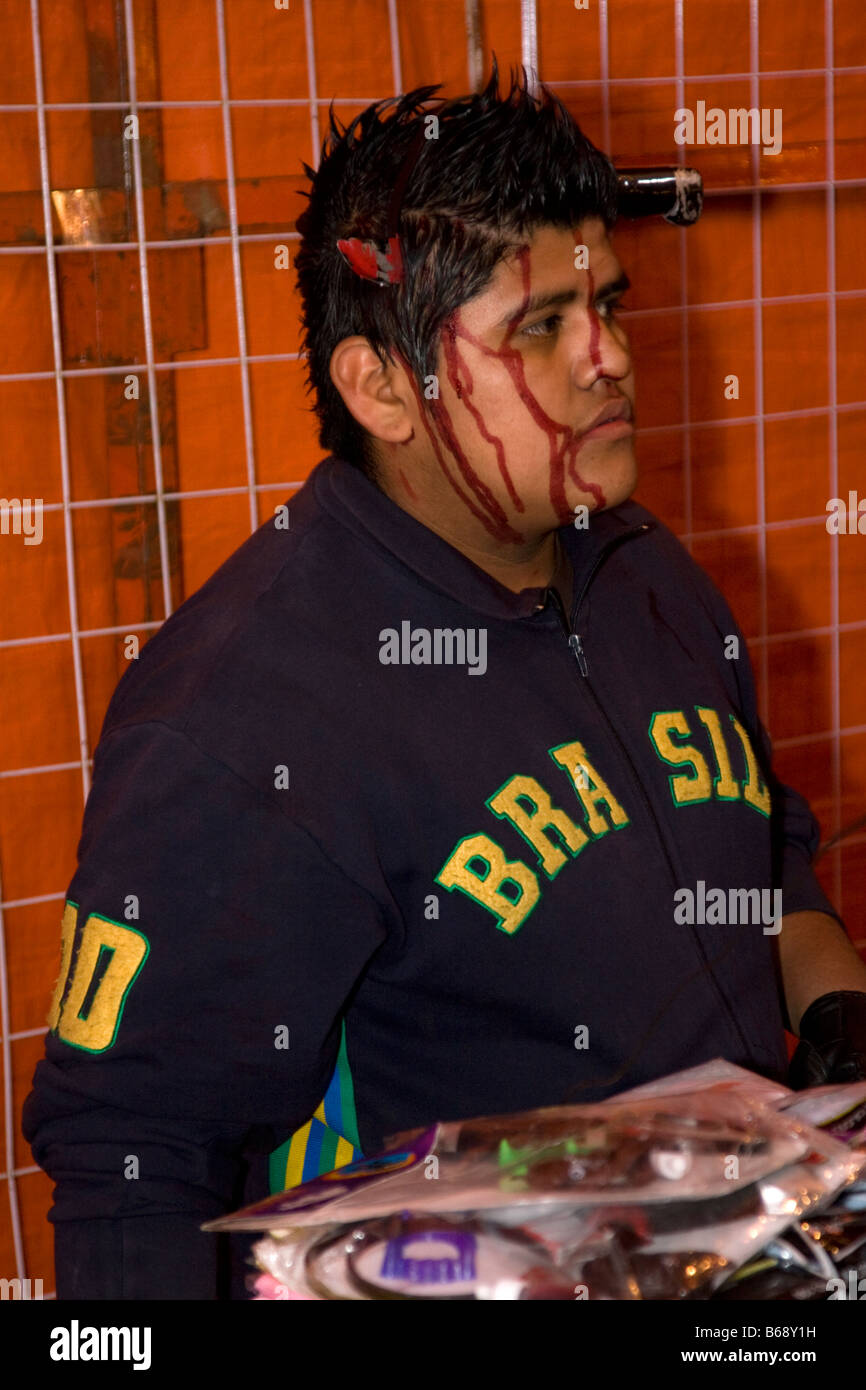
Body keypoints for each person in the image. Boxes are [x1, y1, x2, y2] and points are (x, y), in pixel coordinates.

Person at [23, 64, 866, 1301]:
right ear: (381, 387)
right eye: (540, 325)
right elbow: (130, 1167)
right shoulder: (243, 712)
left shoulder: (644, 569)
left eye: (609, 305)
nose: (612, 359)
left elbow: (766, 853)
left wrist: (837, 1014)